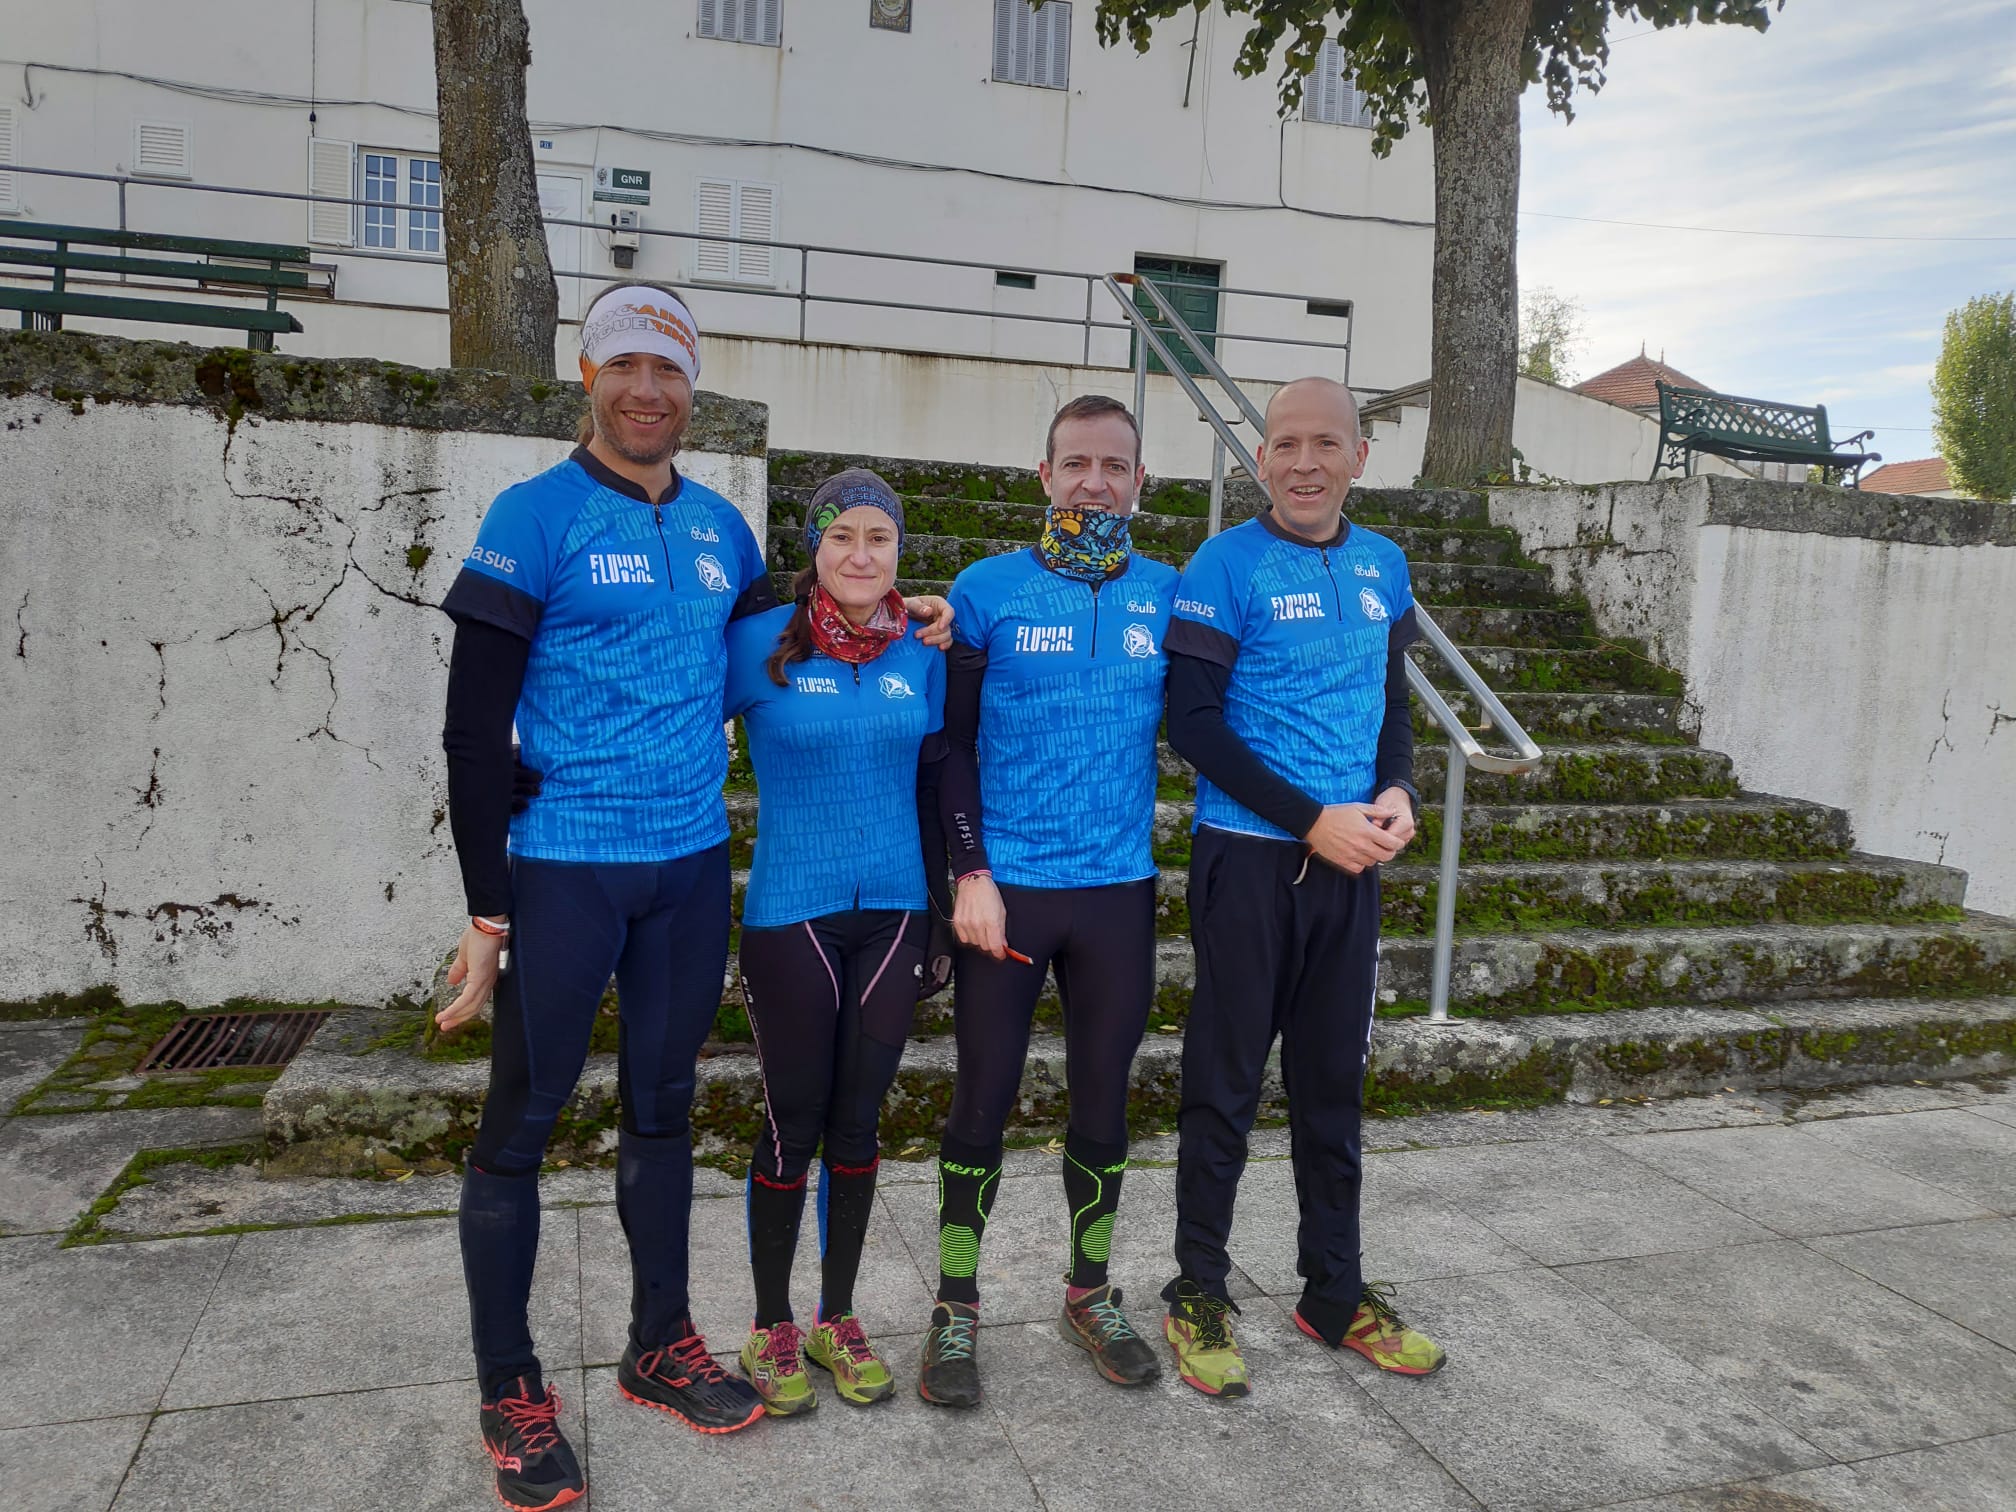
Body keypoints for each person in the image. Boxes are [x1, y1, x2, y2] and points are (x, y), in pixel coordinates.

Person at [436, 284, 950, 1503]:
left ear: (691, 385)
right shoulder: (531, 516)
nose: (647, 391)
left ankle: (657, 1341)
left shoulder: (723, 529)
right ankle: (508, 1383)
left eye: (668, 370)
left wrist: (932, 613)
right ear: (589, 375)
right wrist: (487, 908)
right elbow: (469, 729)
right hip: (562, 868)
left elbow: (821, 627)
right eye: (626, 367)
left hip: (685, 870)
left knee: (662, 1115)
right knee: (519, 1128)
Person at [1157, 375, 1444, 1400]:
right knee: (1224, 1089)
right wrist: (1308, 820)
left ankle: (1335, 1291)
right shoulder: (1222, 564)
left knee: (1332, 1090)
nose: (1306, 461)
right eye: (1286, 443)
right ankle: (1196, 1290)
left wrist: (1397, 791)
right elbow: (1191, 725)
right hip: (1248, 860)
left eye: (1327, 442)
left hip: (1349, 870)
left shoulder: (1383, 564)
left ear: (1360, 457)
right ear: (1261, 457)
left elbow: (1390, 711)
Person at [915, 394, 1177, 1409]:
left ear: (1141, 483)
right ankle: (954, 1304)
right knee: (980, 1102)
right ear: (1044, 475)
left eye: (1115, 466)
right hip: (1010, 892)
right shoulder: (984, 592)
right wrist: (967, 872)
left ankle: (1089, 1290)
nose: (1095, 482)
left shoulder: (1169, 594)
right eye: (1077, 463)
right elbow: (952, 746)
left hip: (1116, 891)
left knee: (1102, 1105)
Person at [722, 468, 954, 1416]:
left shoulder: (926, 649)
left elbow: (941, 784)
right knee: (793, 1118)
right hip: (792, 915)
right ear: (813, 547)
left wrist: (944, 911)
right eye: (843, 537)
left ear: (900, 551)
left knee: (860, 1124)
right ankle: (772, 1322)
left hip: (896, 910)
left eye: (881, 538)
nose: (863, 555)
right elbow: (668, 723)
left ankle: (837, 1315)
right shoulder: (753, 646)